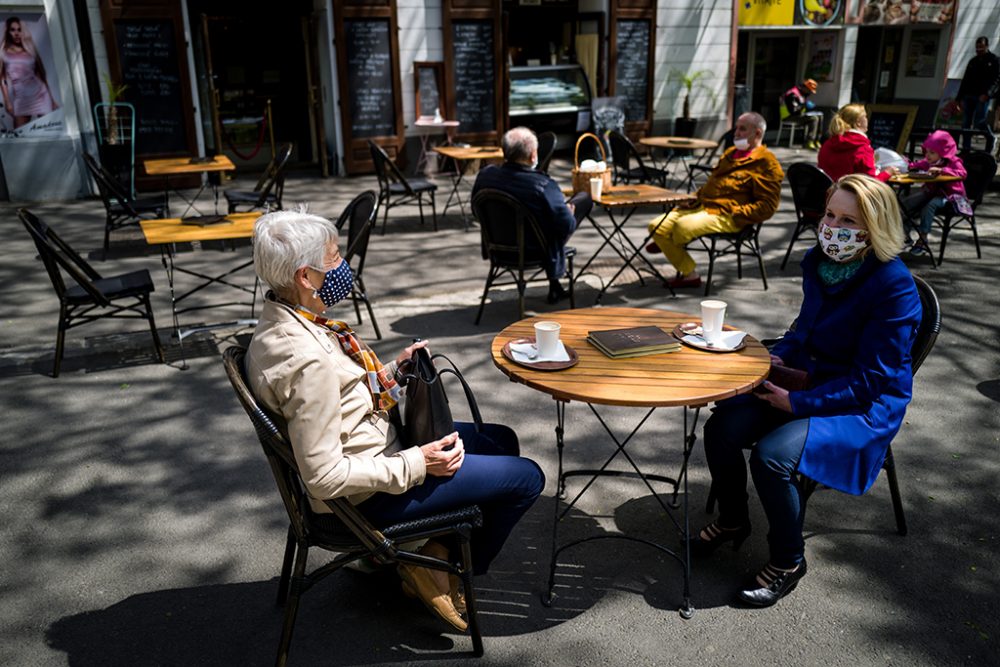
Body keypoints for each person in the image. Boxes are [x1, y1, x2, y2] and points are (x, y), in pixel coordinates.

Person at [246, 209, 544, 632]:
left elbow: (338, 398)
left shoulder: (286, 317)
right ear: (304, 277)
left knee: (501, 440)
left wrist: (390, 374)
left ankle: (427, 550)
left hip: (376, 447)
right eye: (332, 259)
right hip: (365, 498)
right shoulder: (304, 359)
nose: (342, 266)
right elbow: (324, 477)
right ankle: (438, 566)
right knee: (527, 478)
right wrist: (421, 463)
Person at [693, 174, 922, 608]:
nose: (833, 227)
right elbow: (805, 330)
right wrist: (778, 360)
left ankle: (788, 560)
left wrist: (796, 401)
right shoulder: (821, 261)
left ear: (877, 226)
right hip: (808, 376)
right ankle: (733, 521)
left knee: (772, 456)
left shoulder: (894, 285)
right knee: (722, 426)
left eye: (849, 220)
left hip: (863, 402)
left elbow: (870, 381)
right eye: (830, 214)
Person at [645, 111, 783, 289]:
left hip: (729, 214)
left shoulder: (767, 163)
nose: (736, 133)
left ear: (757, 133)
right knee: (656, 226)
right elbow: (714, 184)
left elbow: (768, 206)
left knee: (681, 227)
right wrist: (692, 198)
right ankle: (689, 273)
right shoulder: (731, 153)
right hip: (703, 206)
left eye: (742, 129)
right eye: (736, 128)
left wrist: (737, 213)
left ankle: (670, 245)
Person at [472, 126, 592, 303]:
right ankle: (554, 283)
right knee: (582, 199)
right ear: (533, 156)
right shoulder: (542, 184)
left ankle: (555, 286)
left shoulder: (485, 176)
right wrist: (568, 212)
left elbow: (476, 212)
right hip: (536, 250)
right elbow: (566, 225)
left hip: (497, 248)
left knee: (548, 217)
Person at [887, 130, 969, 256]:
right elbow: (915, 165)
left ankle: (923, 238)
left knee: (929, 206)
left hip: (950, 196)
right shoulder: (928, 162)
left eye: (932, 152)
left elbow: (962, 173)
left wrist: (942, 170)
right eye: (926, 152)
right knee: (904, 204)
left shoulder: (953, 162)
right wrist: (905, 164)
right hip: (930, 192)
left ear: (943, 152)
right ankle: (904, 235)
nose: (928, 156)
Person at [0, 17, 58, 130]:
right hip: (21, 99)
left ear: (23, 31)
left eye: (19, 29)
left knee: (48, 131)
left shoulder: (30, 50)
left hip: (40, 94)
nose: (16, 33)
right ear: (8, 32)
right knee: (20, 133)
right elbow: (2, 79)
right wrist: (8, 102)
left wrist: (52, 100)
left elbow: (41, 76)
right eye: (13, 30)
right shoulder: (3, 52)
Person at [817, 104, 892, 182]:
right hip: (850, 192)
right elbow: (871, 182)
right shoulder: (863, 148)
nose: (867, 119)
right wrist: (888, 173)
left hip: (826, 192)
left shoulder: (827, 144)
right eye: (865, 116)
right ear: (858, 122)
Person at [956, 37, 1000, 154]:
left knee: (979, 122)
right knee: (966, 123)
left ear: (987, 46)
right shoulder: (973, 62)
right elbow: (965, 80)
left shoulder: (994, 60)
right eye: (977, 47)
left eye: (981, 47)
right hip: (968, 95)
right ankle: (966, 148)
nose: (978, 49)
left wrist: (988, 94)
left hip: (982, 96)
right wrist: (959, 99)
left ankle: (990, 138)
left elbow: (996, 80)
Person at [782, 79, 823, 150]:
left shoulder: (802, 94)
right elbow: (793, 111)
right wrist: (804, 105)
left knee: (819, 116)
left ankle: (817, 140)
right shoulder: (792, 94)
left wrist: (809, 108)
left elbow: (801, 108)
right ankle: (809, 141)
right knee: (814, 118)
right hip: (789, 116)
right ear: (805, 88)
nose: (810, 93)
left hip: (798, 115)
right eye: (809, 91)